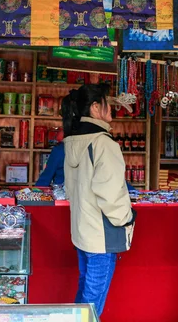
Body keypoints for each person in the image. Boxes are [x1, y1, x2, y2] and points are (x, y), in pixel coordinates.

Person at [62, 84, 136, 316]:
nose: (111, 110)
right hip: (101, 236)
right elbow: (111, 195)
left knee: (85, 294)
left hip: (83, 232)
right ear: (95, 108)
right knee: (93, 304)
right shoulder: (104, 144)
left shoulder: (72, 141)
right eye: (107, 104)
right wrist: (127, 219)